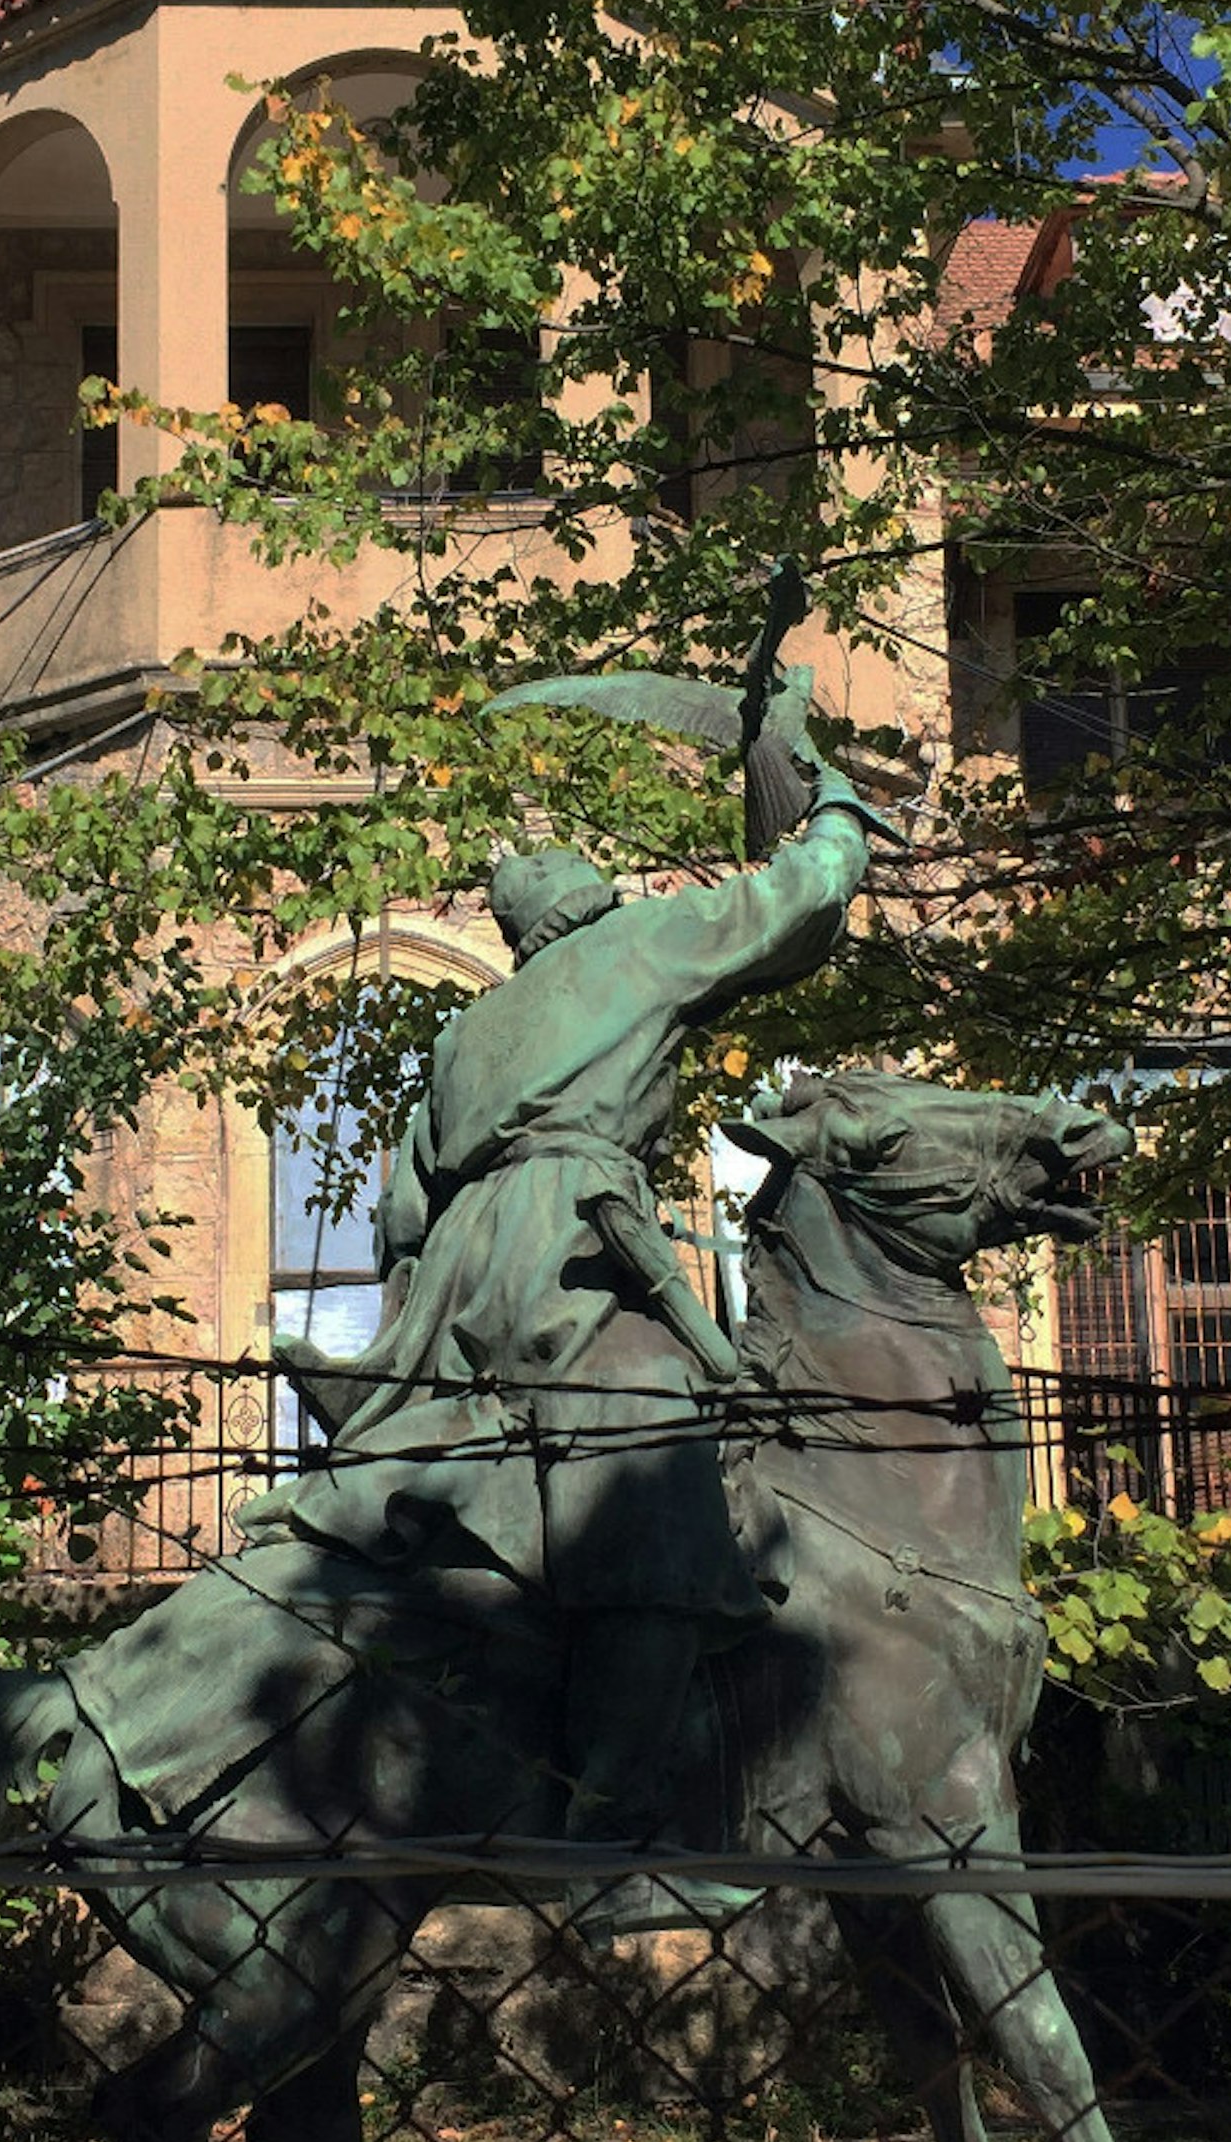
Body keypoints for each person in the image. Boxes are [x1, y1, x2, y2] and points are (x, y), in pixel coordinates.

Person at [249, 760, 879, 1934]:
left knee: (503, 1475)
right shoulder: (636, 948)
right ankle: (608, 1837)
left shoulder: (465, 1032)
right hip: (576, 1256)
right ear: (589, 902)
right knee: (656, 1494)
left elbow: (404, 1211)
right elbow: (803, 899)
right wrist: (832, 803)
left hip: (462, 1280)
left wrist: (415, 1328)